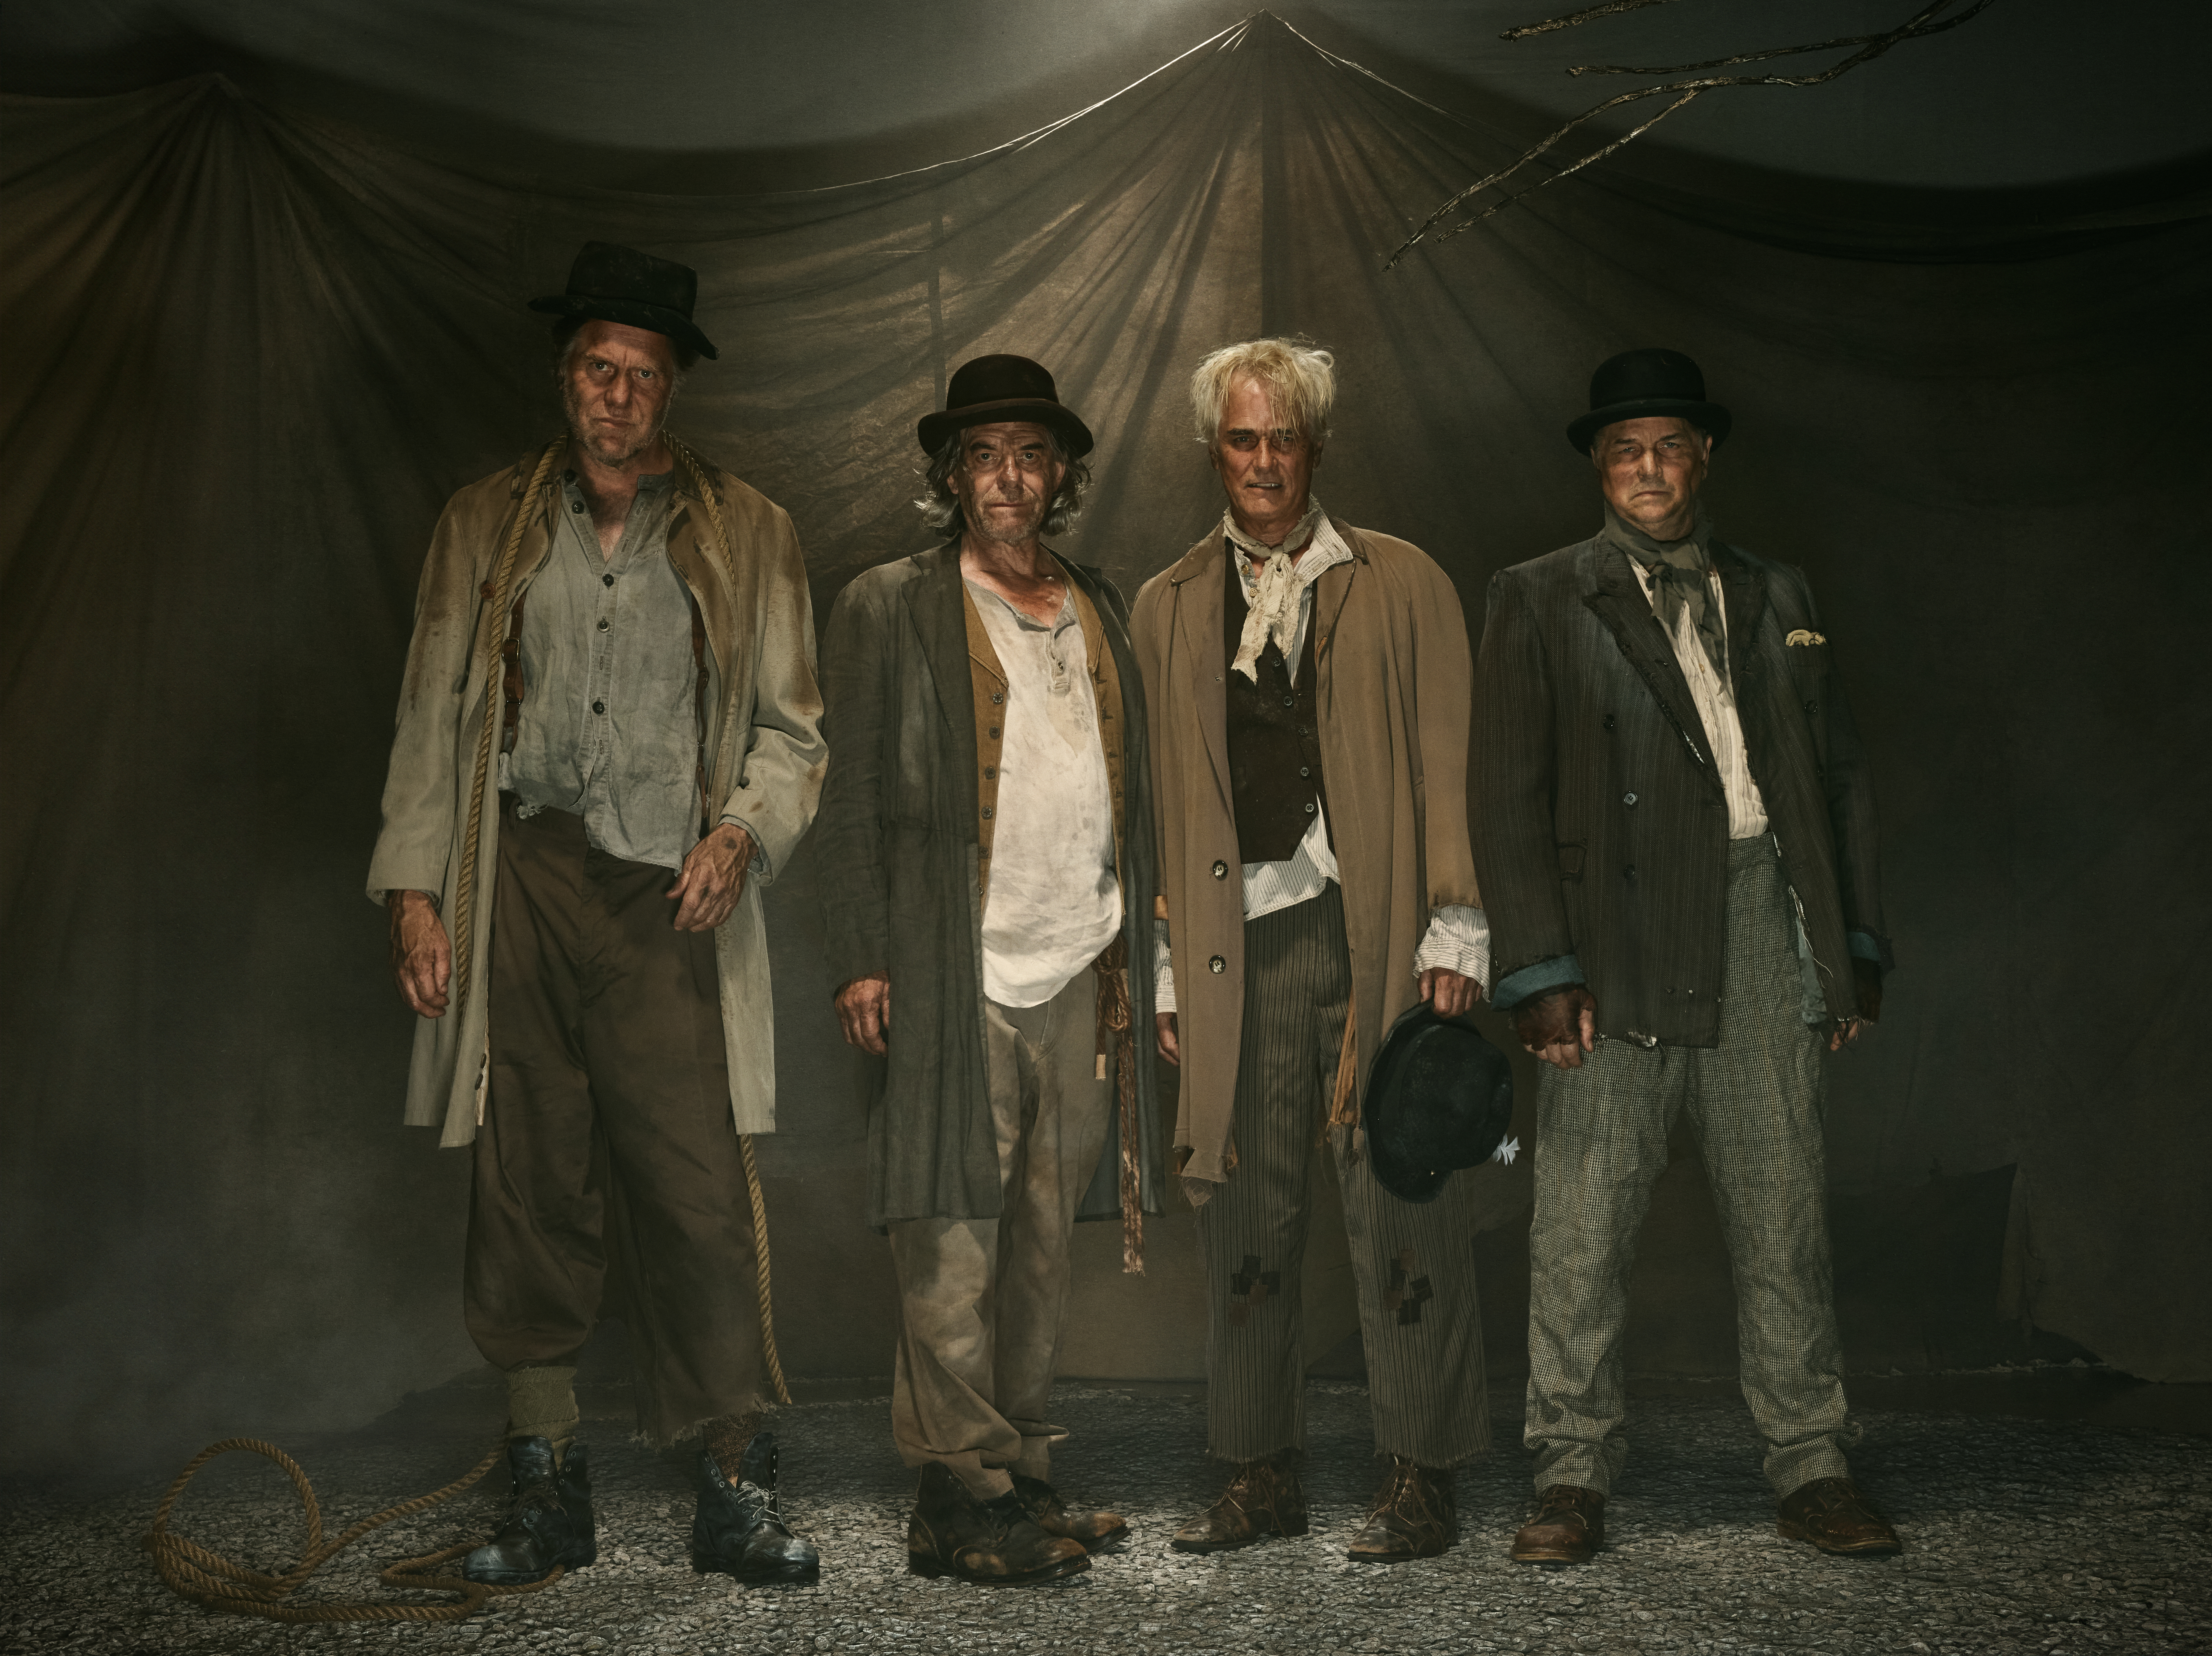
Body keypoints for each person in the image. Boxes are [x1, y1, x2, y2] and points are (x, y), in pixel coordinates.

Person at [367, 242, 828, 1587]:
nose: (615, 396)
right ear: (563, 376)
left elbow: (795, 731)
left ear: (672, 388)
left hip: (666, 893)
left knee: (692, 1190)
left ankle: (731, 1483)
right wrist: (414, 893)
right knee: (529, 1177)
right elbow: (429, 711)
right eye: (594, 368)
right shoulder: (489, 521)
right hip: (519, 875)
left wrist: (740, 831)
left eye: (640, 374)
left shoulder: (747, 528)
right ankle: (545, 1479)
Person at [1470, 348, 1901, 1566]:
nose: (1646, 469)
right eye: (1623, 450)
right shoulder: (1538, 593)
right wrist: (1542, 972)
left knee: (1781, 1209)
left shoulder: (1776, 590)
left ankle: (1811, 1460)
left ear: (1702, 458)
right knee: (1581, 1220)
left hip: (1766, 918)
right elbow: (1504, 799)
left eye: (1667, 447)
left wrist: (1846, 946)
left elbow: (1840, 777)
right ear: (1595, 467)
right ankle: (1566, 1472)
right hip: (1609, 938)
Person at [1132, 338, 1492, 1565]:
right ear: (1214, 452)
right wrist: (1171, 967)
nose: (1262, 462)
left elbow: (1448, 765)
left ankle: (1419, 1473)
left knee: (1403, 1187)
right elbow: (1160, 811)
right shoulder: (1168, 606)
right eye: (1241, 439)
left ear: (1315, 449)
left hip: (1379, 928)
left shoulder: (1402, 584)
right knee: (1243, 1204)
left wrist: (1454, 922)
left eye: (1282, 439)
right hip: (1243, 943)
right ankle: (1255, 1471)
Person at [818, 354, 1162, 1587]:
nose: (1006, 478)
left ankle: (1018, 1468)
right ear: (949, 475)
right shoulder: (890, 604)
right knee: (947, 1237)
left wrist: (1139, 950)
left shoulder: (1096, 603)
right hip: (951, 962)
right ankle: (954, 1493)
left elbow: (1136, 791)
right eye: (982, 456)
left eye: (1029, 454)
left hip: (1076, 959)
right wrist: (864, 956)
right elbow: (846, 790)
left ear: (1060, 472)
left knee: (1034, 1240)